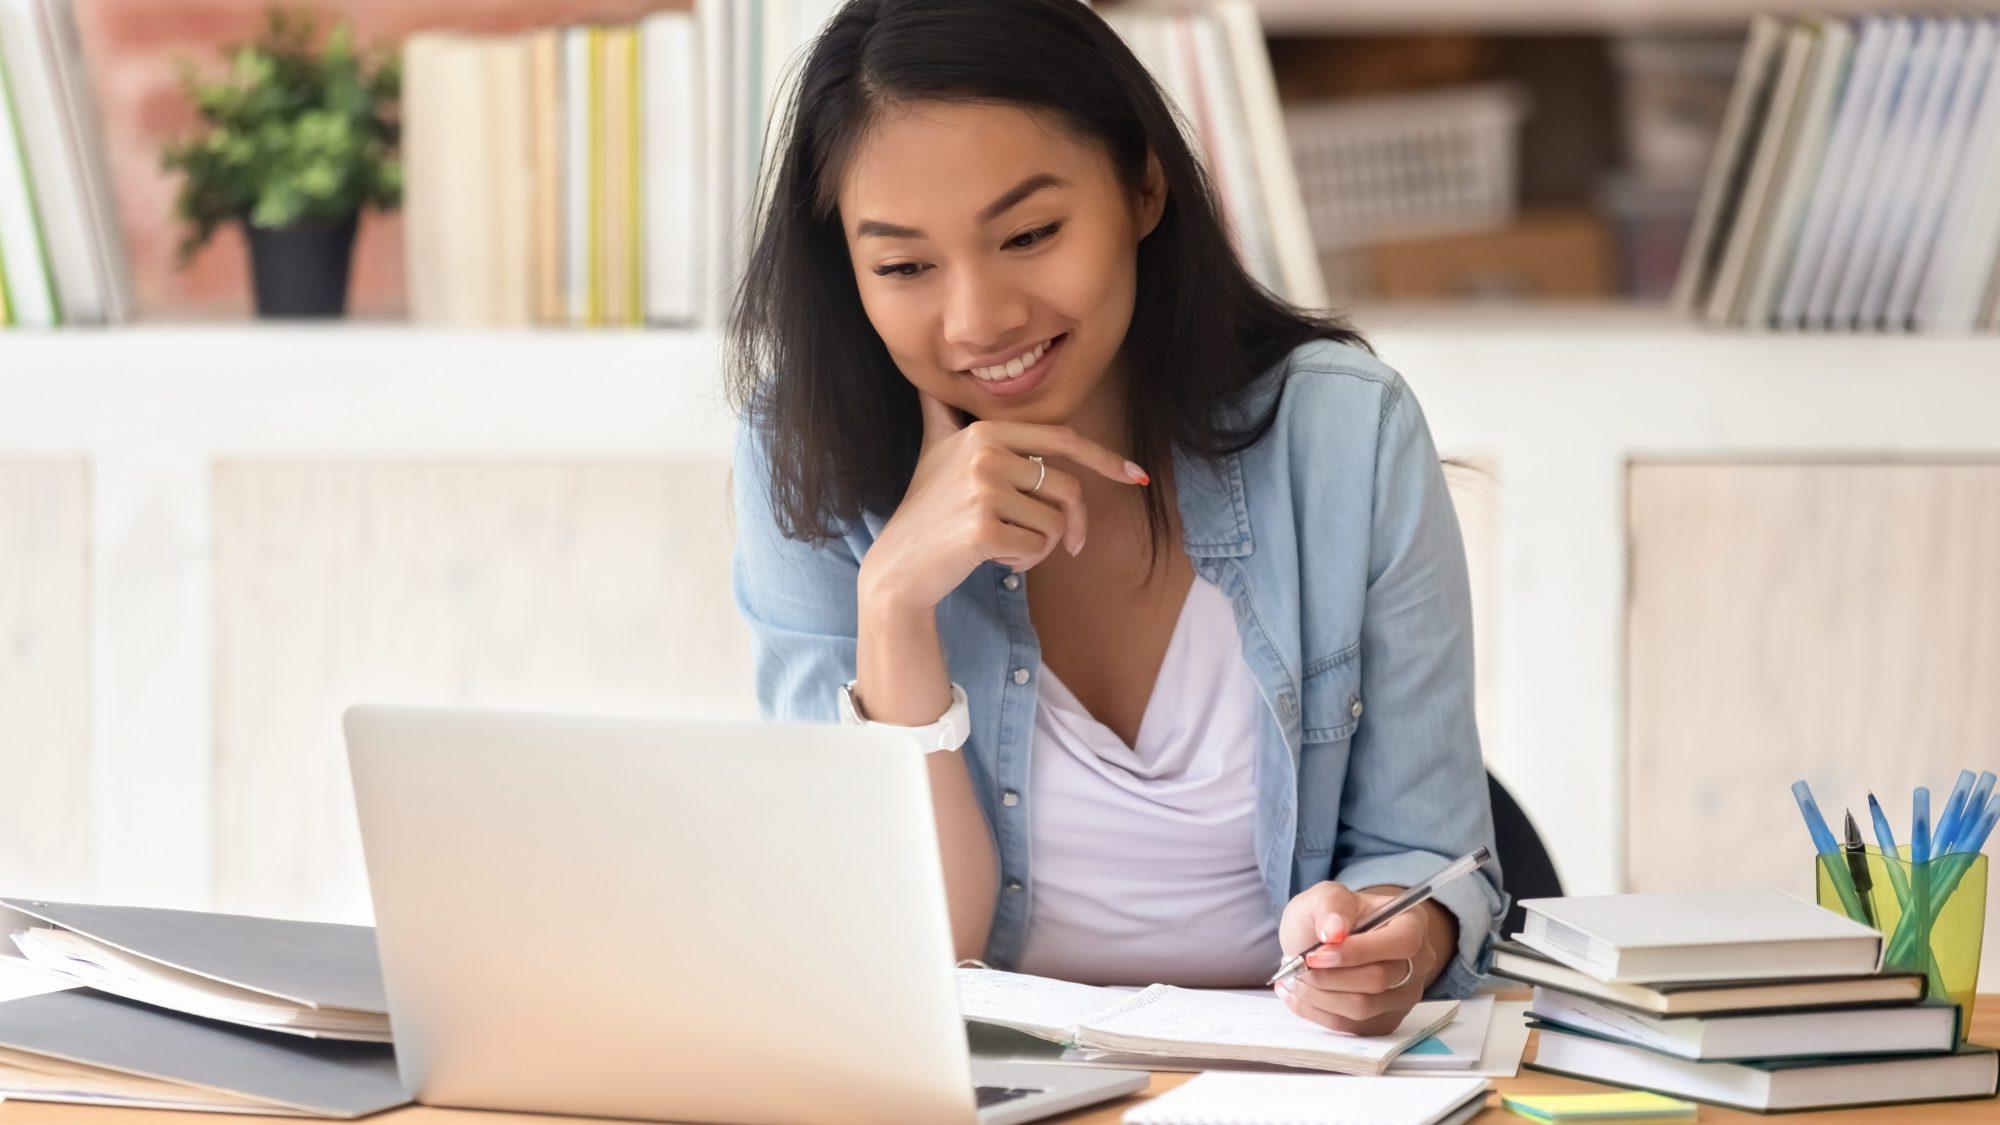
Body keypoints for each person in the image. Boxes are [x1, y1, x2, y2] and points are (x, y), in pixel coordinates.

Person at [726, 0, 1505, 1037]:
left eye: (1029, 235)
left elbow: (1432, 857)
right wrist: (893, 603)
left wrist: (1388, 940)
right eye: (904, 266)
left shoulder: (1340, 433)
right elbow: (899, 954)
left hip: (1283, 1088)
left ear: (1143, 188)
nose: (978, 320)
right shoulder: (806, 452)